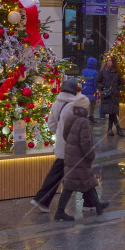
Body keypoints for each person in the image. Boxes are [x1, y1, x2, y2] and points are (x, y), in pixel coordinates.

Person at [31, 78, 89, 213]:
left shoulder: (56, 103)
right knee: (81, 171)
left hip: (61, 144)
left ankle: (90, 202)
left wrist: (59, 131)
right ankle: (87, 203)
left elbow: (51, 125)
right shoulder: (74, 105)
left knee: (62, 173)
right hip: (73, 146)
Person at [54, 84, 109, 221]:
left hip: (71, 155)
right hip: (79, 157)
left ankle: (97, 205)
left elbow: (66, 135)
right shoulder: (83, 121)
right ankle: (59, 212)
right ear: (85, 107)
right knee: (70, 186)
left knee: (88, 182)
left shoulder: (71, 118)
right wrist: (90, 155)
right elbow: (86, 143)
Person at [96, 56, 124, 137]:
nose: (108, 62)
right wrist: (102, 88)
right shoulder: (103, 71)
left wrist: (117, 89)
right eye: (107, 61)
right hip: (107, 94)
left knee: (112, 112)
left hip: (114, 94)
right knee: (112, 112)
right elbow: (97, 81)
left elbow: (121, 83)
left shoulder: (117, 72)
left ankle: (110, 130)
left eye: (110, 61)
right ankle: (118, 129)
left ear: (113, 62)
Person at [81, 57, 99, 123]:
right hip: (92, 91)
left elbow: (82, 81)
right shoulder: (95, 73)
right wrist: (96, 91)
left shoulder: (84, 71)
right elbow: (95, 83)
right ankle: (91, 116)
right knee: (93, 105)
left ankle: (84, 116)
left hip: (85, 91)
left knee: (85, 105)